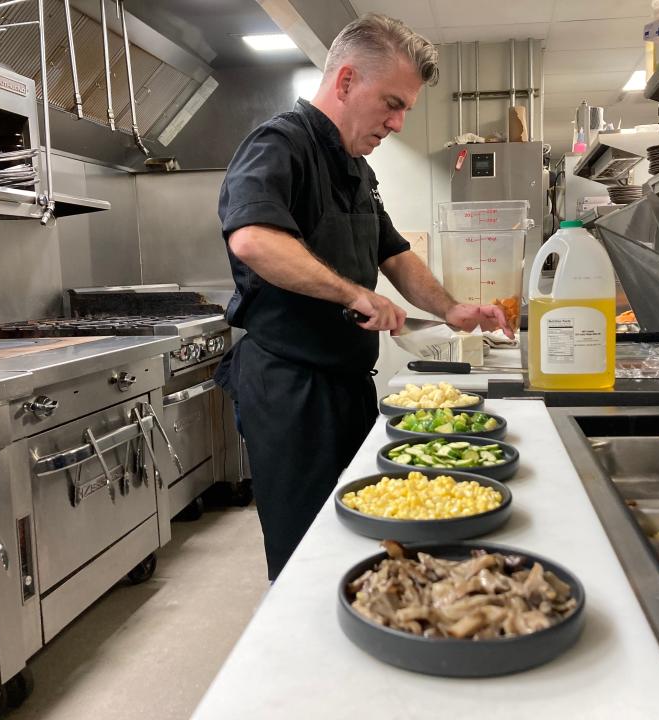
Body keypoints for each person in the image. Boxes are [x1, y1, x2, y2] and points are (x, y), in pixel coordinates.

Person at [215, 13, 512, 580]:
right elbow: (254, 238)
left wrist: (449, 309)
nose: (397, 123)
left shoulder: (355, 166)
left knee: (357, 535)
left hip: (348, 382)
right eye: (392, 104)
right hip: (291, 389)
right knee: (307, 549)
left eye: (405, 110)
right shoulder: (279, 144)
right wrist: (353, 294)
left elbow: (393, 252)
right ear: (346, 82)